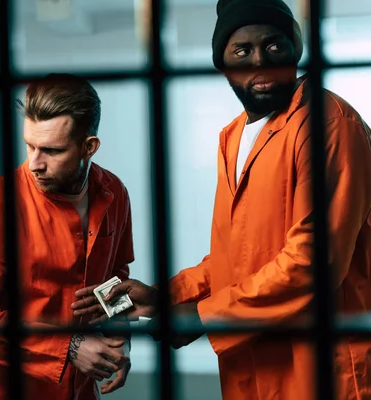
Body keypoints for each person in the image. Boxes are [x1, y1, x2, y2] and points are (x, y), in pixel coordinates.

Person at [71, 0, 371, 399]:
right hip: (253, 366)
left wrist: (199, 317)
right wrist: (167, 296)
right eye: (242, 50)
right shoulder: (233, 138)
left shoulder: (328, 124)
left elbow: (314, 261)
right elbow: (237, 255)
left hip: (321, 369)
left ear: (295, 50)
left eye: (274, 45)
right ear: (223, 62)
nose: (259, 60)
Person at [0, 73, 135, 400]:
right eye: (30, 146)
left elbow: (115, 277)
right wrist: (70, 347)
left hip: (77, 391)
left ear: (88, 147)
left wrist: (120, 340)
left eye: (51, 150)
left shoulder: (113, 192)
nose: (35, 163)